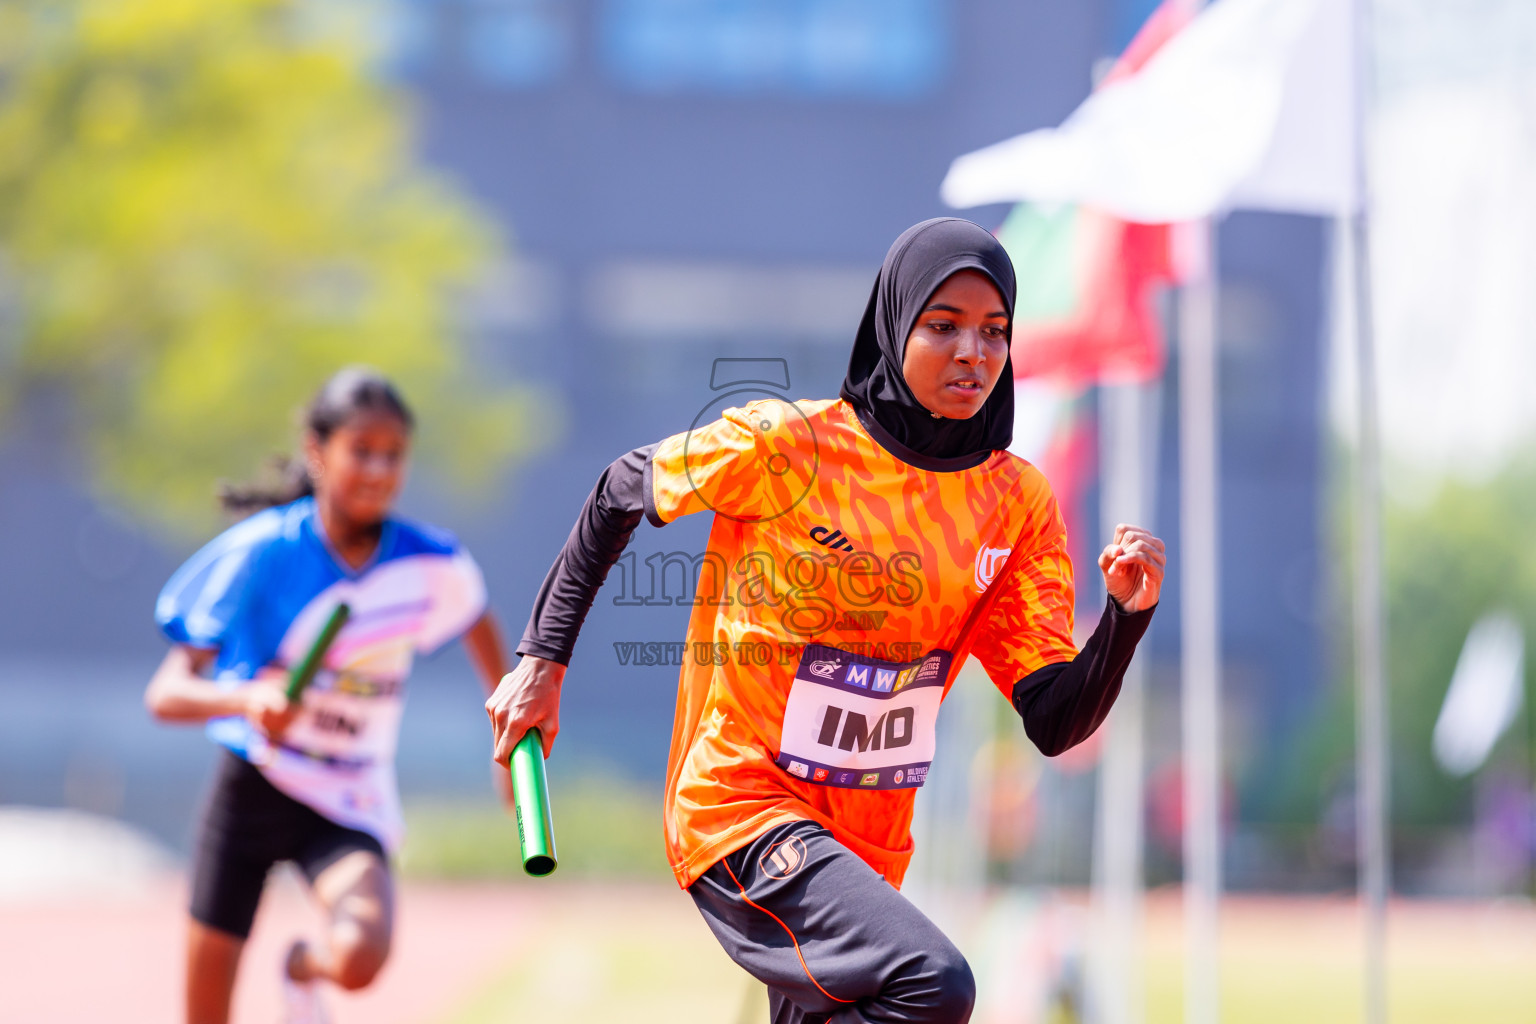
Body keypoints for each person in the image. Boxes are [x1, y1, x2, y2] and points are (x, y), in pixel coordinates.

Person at [486, 218, 1165, 1023]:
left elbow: (1054, 719)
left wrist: (1125, 621)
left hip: (870, 849)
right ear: (892, 324)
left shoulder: (1016, 503)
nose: (973, 354)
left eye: (994, 333)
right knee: (935, 982)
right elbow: (618, 490)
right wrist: (541, 661)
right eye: (942, 327)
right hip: (740, 808)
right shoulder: (789, 445)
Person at [146, 367, 510, 1024]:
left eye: (393, 454)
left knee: (361, 956)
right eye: (361, 450)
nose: (378, 469)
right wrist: (247, 700)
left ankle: (300, 968)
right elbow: (166, 694)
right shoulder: (262, 553)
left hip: (347, 796)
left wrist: (506, 741)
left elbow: (490, 642)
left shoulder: (430, 564)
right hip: (254, 784)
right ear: (317, 451)